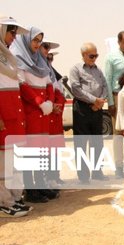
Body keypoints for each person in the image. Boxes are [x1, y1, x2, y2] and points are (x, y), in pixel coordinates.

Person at [10, 26, 59, 202]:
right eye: (35, 40)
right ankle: (31, 190)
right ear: (27, 40)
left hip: (44, 113)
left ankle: (40, 185)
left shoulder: (40, 61)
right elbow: (22, 86)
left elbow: (50, 84)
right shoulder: (19, 59)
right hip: (31, 112)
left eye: (40, 41)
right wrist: (39, 103)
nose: (38, 44)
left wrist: (50, 102)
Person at [0, 15, 32, 217]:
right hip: (4, 117)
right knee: (4, 162)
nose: (14, 37)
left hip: (15, 115)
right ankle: (4, 202)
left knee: (14, 160)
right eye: (12, 32)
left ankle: (14, 198)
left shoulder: (7, 57)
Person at [69, 42, 108, 184]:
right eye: (92, 56)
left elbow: (104, 86)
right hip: (82, 109)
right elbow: (76, 89)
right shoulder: (75, 69)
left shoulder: (98, 70)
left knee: (97, 142)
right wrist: (94, 100)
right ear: (83, 55)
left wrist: (100, 101)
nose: (94, 58)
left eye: (96, 55)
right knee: (81, 143)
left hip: (97, 109)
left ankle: (97, 172)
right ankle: (83, 176)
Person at [104, 30, 124, 178]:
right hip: (117, 97)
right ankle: (118, 167)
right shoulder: (110, 57)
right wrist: (111, 103)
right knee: (118, 133)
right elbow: (107, 80)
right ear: (119, 42)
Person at [39, 39, 66, 186]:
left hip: (55, 116)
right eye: (45, 49)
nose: (48, 56)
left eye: (51, 56)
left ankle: (54, 176)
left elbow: (59, 93)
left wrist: (57, 106)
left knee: (55, 148)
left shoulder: (53, 73)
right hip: (44, 114)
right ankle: (45, 180)